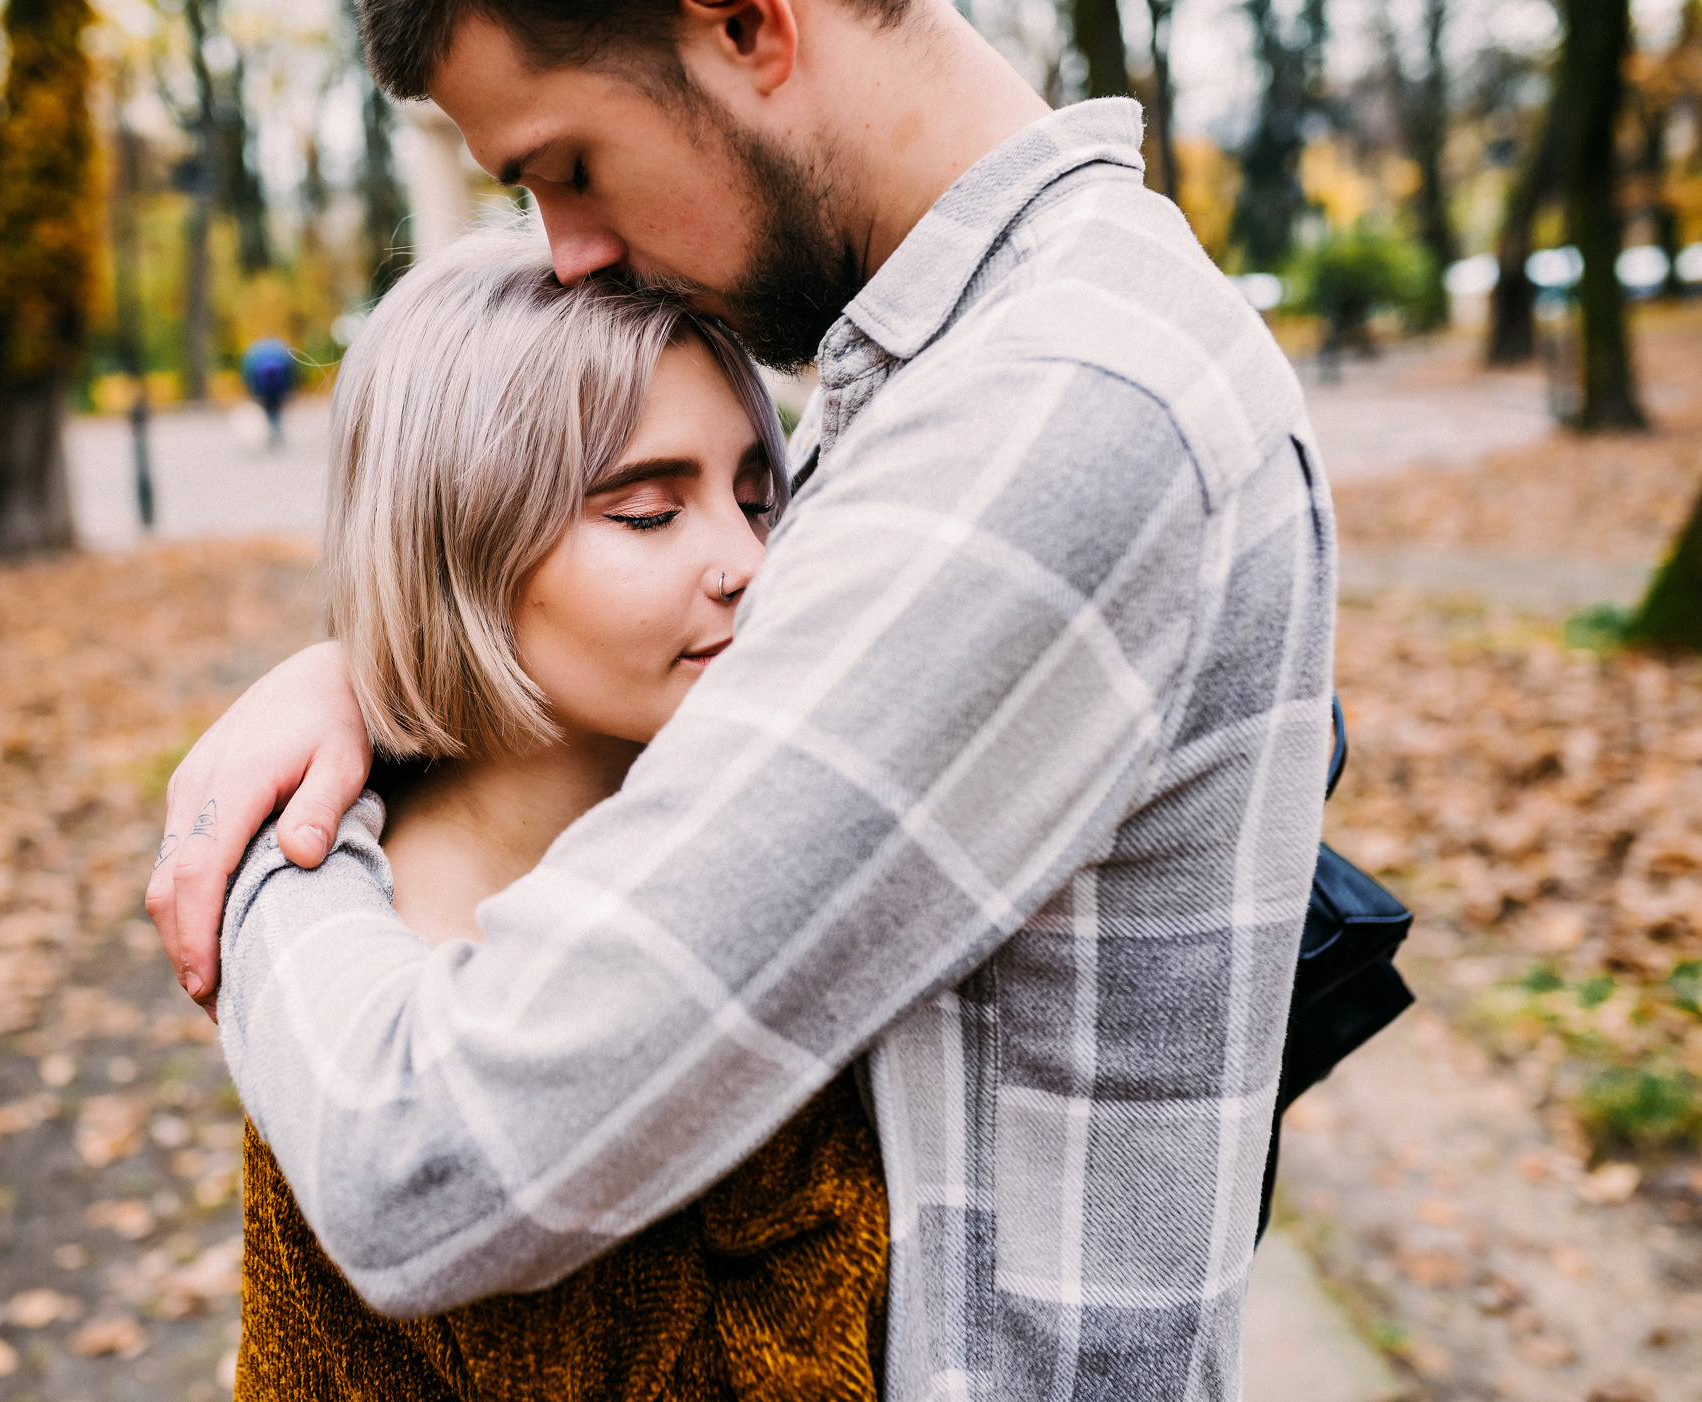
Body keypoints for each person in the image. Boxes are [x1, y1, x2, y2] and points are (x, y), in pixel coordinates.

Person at [151, 1, 1337, 1395]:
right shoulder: (945, 374)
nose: (569, 250)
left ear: (744, 23)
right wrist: (375, 664)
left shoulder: (1062, 402)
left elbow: (426, 1157)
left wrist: (258, 856)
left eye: (566, 164)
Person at [229, 226, 891, 1399]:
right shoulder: (368, 1019)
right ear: (460, 545)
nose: (748, 562)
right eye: (648, 513)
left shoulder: (781, 806)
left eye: (757, 497)